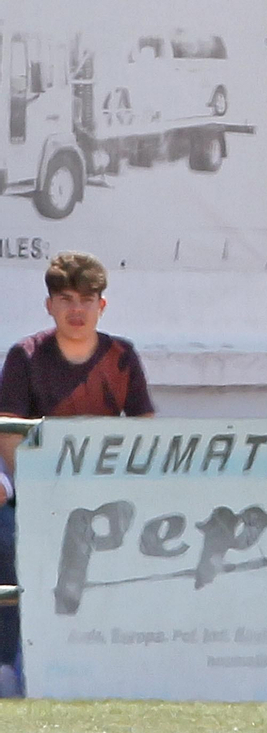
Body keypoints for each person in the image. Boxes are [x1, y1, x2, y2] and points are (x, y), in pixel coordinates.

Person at [0, 251, 156, 696]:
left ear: (101, 306)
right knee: (12, 552)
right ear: (49, 305)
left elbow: (144, 432)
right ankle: (18, 672)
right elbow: (8, 434)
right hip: (37, 503)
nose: (76, 309)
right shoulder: (24, 356)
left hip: (109, 505)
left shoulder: (122, 356)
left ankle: (120, 674)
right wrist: (36, 491)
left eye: (87, 299)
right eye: (65, 298)